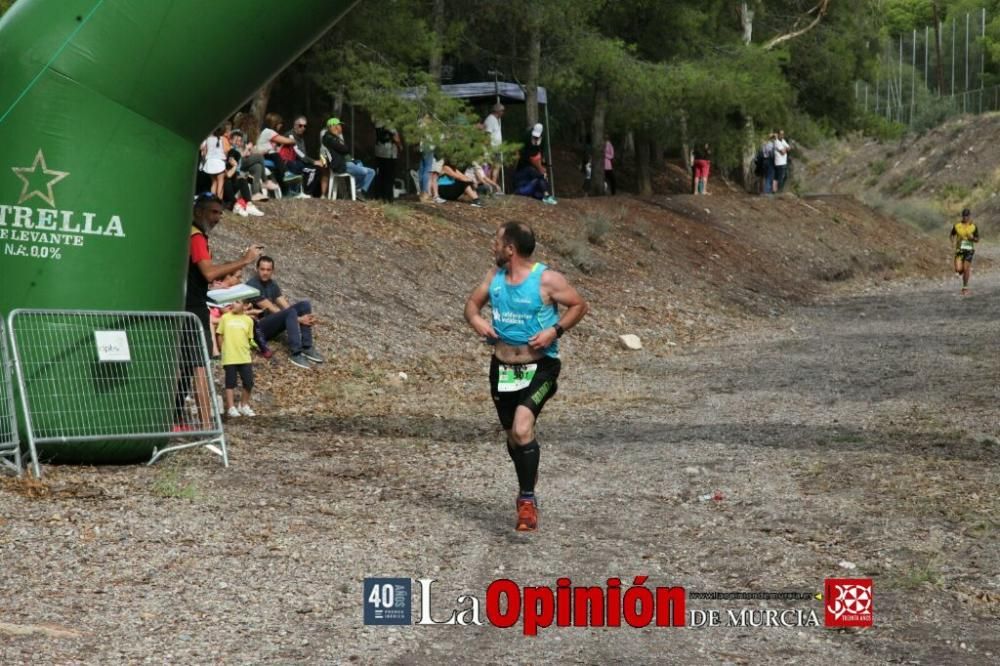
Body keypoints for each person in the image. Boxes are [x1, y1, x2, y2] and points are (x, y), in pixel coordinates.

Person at [464, 222, 588, 532]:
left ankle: (527, 501)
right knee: (514, 436)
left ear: (511, 249)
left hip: (541, 366)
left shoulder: (546, 279)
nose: (493, 246)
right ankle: (527, 469)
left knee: (521, 428)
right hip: (502, 368)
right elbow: (471, 305)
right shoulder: (494, 277)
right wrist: (477, 321)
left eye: (497, 241)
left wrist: (554, 330)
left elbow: (578, 305)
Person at [176, 192, 263, 430]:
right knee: (199, 366)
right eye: (213, 212)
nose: (217, 218)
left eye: (220, 214)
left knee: (186, 365)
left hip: (190, 305)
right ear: (198, 212)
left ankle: (176, 418)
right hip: (192, 310)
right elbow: (209, 273)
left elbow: (203, 276)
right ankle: (206, 426)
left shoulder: (195, 236)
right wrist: (245, 260)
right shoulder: (196, 237)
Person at [247, 255, 324, 368]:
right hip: (258, 329)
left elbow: (286, 306)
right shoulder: (252, 286)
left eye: (268, 270)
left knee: (304, 305)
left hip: (271, 324)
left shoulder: (272, 284)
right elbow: (272, 309)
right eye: (262, 269)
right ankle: (296, 353)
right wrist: (299, 319)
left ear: (273, 271)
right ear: (257, 269)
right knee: (290, 313)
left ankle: (307, 347)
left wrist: (299, 317)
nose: (265, 272)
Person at [217, 299, 258, 418]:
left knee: (249, 382)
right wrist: (222, 350)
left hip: (244, 356)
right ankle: (231, 407)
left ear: (245, 305)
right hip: (230, 356)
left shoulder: (249, 320)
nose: (233, 304)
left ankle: (243, 405)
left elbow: (249, 338)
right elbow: (220, 334)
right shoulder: (225, 318)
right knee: (230, 382)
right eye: (233, 301)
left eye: (237, 302)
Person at [321, 117, 375, 198]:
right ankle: (354, 190)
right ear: (333, 127)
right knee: (364, 172)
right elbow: (345, 149)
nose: (340, 128)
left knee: (371, 172)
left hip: (346, 163)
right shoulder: (328, 138)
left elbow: (345, 150)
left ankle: (357, 190)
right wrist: (339, 139)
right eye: (339, 125)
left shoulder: (335, 137)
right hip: (341, 165)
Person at [514, 124, 556, 205]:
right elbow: (519, 149)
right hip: (525, 163)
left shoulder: (543, 139)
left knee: (538, 181)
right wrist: (542, 174)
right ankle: (545, 195)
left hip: (534, 161)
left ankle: (545, 196)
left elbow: (543, 151)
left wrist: (542, 166)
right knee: (537, 177)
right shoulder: (526, 136)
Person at [950, 207, 979, 296]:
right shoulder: (957, 226)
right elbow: (951, 235)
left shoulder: (973, 227)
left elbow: (977, 239)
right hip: (959, 250)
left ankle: (965, 288)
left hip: (969, 250)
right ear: (962, 216)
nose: (965, 217)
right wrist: (952, 242)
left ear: (969, 216)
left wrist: (972, 238)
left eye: (967, 216)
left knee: (966, 268)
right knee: (958, 269)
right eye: (964, 216)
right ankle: (963, 272)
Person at [373, 121, 402, 202]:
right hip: (389, 154)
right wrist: (400, 146)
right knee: (389, 177)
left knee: (381, 175)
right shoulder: (390, 123)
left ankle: (379, 196)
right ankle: (388, 198)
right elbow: (396, 138)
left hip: (379, 153)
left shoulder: (378, 123)